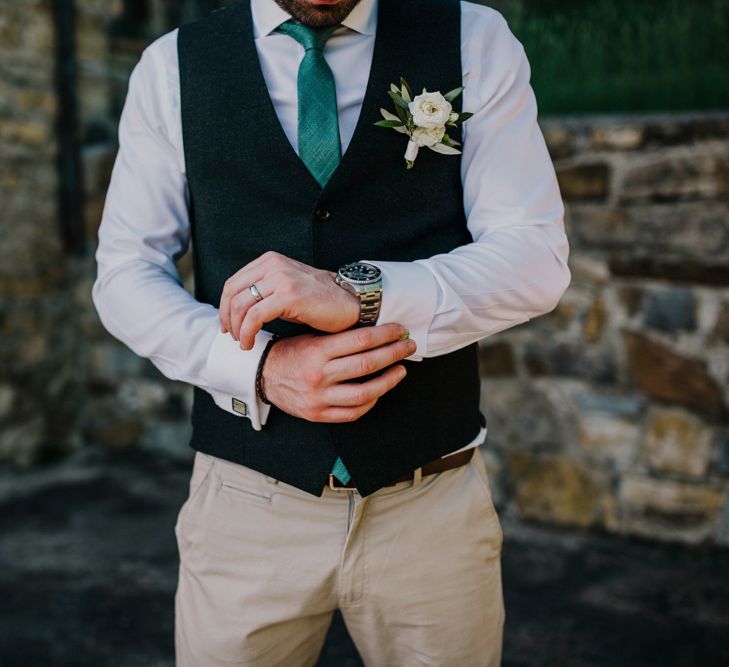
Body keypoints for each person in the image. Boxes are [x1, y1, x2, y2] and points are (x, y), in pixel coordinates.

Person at [92, 0, 570, 664]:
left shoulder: (473, 38)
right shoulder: (171, 66)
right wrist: (259, 368)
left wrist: (360, 293)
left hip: (430, 502)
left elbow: (534, 258)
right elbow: (124, 272)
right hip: (245, 502)